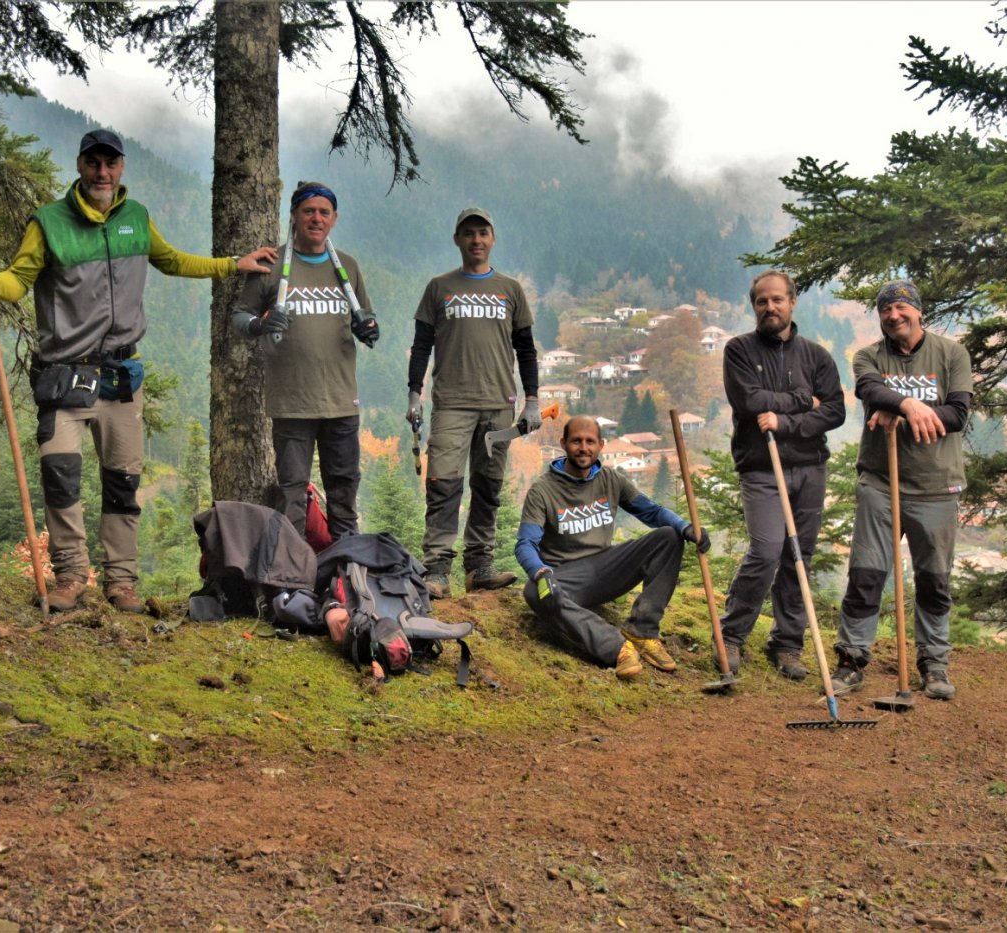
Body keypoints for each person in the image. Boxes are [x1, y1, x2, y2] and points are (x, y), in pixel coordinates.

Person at [0, 129, 276, 613]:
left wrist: (235, 265)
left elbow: (172, 261)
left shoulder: (136, 219)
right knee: (60, 476)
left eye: (110, 164)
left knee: (122, 484)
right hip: (64, 374)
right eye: (93, 164)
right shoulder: (48, 223)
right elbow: (15, 284)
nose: (101, 173)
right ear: (80, 165)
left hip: (121, 376)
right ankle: (69, 576)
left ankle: (120, 583)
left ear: (122, 167)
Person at [831, 280, 972, 700]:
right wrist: (906, 403)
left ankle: (934, 664)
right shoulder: (869, 355)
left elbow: (958, 413)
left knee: (933, 579)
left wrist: (899, 411)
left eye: (901, 308)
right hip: (880, 481)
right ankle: (852, 659)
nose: (893, 316)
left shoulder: (951, 354)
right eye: (885, 310)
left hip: (936, 486)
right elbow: (868, 389)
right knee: (867, 573)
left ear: (918, 311)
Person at [232, 181, 379, 541]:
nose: (316, 218)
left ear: (334, 219)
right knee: (292, 494)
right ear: (294, 216)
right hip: (292, 403)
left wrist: (369, 329)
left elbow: (367, 319)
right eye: (308, 211)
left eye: (324, 212)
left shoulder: (347, 266)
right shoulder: (272, 264)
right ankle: (292, 580)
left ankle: (347, 573)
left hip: (341, 402)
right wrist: (258, 324)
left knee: (344, 494)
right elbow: (239, 317)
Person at [718, 271, 845, 680]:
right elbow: (749, 401)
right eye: (761, 302)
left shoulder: (817, 356)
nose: (769, 307)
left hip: (809, 467)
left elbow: (835, 410)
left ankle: (787, 644)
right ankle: (731, 635)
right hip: (761, 468)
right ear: (753, 306)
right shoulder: (739, 350)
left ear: (792, 302)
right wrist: (800, 401)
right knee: (767, 550)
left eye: (777, 300)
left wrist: (787, 422)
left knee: (798, 557)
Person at [515, 416, 711, 680]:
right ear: (563, 444)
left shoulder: (611, 479)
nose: (583, 448)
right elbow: (526, 543)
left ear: (601, 446)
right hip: (566, 578)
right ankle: (617, 648)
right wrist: (539, 571)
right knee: (534, 592)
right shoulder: (543, 490)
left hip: (607, 567)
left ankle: (642, 630)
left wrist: (685, 527)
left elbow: (652, 512)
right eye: (576, 441)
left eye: (590, 441)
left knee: (668, 537)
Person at [409, 207, 539, 599]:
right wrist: (414, 392)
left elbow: (526, 350)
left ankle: (479, 567)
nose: (476, 240)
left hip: (499, 406)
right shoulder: (439, 287)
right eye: (468, 234)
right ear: (457, 240)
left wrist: (532, 400)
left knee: (488, 487)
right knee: (444, 485)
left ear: (492, 239)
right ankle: (437, 570)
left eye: (483, 233)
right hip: (451, 404)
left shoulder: (510, 290)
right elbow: (421, 346)